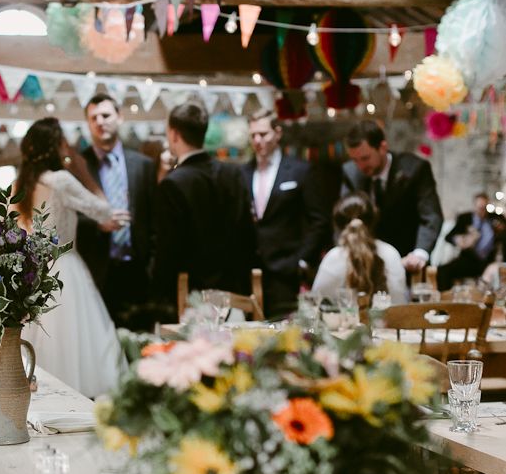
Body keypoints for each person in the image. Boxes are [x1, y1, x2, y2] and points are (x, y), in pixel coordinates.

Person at [17, 117, 126, 399]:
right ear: (57, 146)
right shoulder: (61, 180)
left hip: (32, 273)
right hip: (64, 269)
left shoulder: (22, 184)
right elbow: (104, 211)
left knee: (38, 346)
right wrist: (82, 170)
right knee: (76, 345)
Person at [152, 101, 256, 315]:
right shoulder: (234, 174)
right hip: (234, 292)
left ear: (174, 134)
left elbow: (168, 249)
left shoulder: (173, 183)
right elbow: (248, 234)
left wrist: (159, 291)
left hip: (191, 295)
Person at [241, 109, 332, 317]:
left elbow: (319, 220)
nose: (257, 140)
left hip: (287, 270)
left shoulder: (300, 170)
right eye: (253, 135)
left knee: (287, 337)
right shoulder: (242, 173)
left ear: (278, 133)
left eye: (263, 134)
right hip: (252, 270)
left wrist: (301, 260)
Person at [76, 93, 156, 329]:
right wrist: (98, 223)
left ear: (119, 118)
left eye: (106, 115)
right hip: (99, 270)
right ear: (88, 124)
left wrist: (152, 265)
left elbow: (154, 219)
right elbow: (71, 217)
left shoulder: (143, 165)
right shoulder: (79, 166)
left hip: (139, 270)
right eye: (94, 118)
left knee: (142, 345)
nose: (100, 121)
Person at [341, 120, 443, 275]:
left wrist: (419, 253)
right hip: (367, 267)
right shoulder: (351, 173)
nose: (360, 166)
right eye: (355, 160)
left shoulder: (414, 169)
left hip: (409, 262)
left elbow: (431, 216)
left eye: (365, 158)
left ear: (382, 147)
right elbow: (344, 218)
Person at [312, 192, 407, 305]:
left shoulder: (335, 257)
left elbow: (315, 302)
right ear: (374, 219)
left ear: (337, 224)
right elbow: (400, 301)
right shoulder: (391, 253)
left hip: (346, 322)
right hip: (392, 322)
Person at [437, 193, 496, 291]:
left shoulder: (495, 218)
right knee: (443, 270)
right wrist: (459, 239)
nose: (481, 211)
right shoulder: (465, 218)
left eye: (483, 208)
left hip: (488, 261)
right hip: (468, 259)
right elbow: (449, 237)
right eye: (479, 207)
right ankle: (446, 298)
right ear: (474, 206)